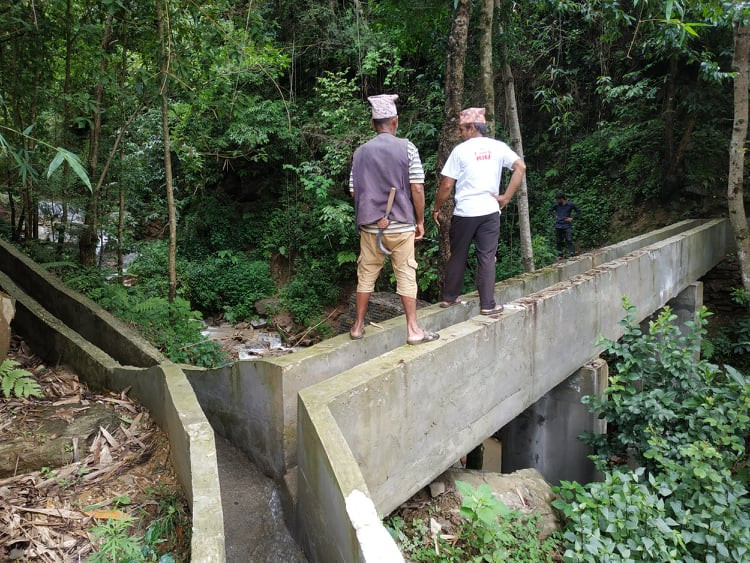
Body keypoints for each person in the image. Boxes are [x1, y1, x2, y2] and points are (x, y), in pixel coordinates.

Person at [348, 94, 439, 345]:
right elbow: (417, 188)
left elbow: (354, 190)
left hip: (370, 227)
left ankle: (357, 326)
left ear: (372, 124)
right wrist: (420, 221)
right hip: (401, 225)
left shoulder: (360, 153)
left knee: (366, 275)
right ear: (395, 121)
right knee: (406, 275)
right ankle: (412, 330)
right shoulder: (407, 147)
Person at [432, 107, 526, 316]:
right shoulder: (498, 147)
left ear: (472, 127)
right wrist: (506, 197)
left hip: (465, 212)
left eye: (462, 129)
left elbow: (447, 185)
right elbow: (521, 167)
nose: (460, 134)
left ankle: (449, 298)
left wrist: (436, 208)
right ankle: (487, 305)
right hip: (489, 211)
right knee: (486, 257)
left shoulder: (460, 150)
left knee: (458, 255)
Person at [550, 192, 579, 260]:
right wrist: (555, 216)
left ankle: (572, 253)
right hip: (558, 225)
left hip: (566, 225)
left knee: (569, 239)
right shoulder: (556, 205)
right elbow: (550, 210)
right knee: (558, 241)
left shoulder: (570, 204)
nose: (557, 201)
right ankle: (560, 254)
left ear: (562, 199)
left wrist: (572, 218)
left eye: (558, 199)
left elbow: (578, 211)